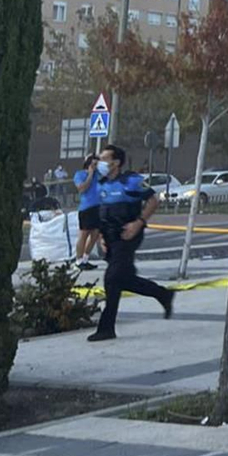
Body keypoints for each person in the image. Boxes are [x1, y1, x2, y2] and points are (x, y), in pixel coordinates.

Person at [87, 144, 173, 341]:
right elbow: (100, 213)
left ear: (116, 162)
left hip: (128, 234)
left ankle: (106, 327)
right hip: (109, 237)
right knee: (121, 281)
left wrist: (139, 223)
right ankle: (163, 294)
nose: (100, 163)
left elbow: (153, 200)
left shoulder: (131, 181)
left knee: (111, 278)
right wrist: (101, 238)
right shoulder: (101, 183)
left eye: (104, 159)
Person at [72, 154, 103, 270]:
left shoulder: (98, 175)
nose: (96, 167)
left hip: (98, 207)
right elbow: (82, 189)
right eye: (94, 164)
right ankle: (78, 261)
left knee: (95, 234)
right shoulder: (80, 174)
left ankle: (85, 258)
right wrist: (90, 174)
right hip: (86, 208)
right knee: (83, 235)